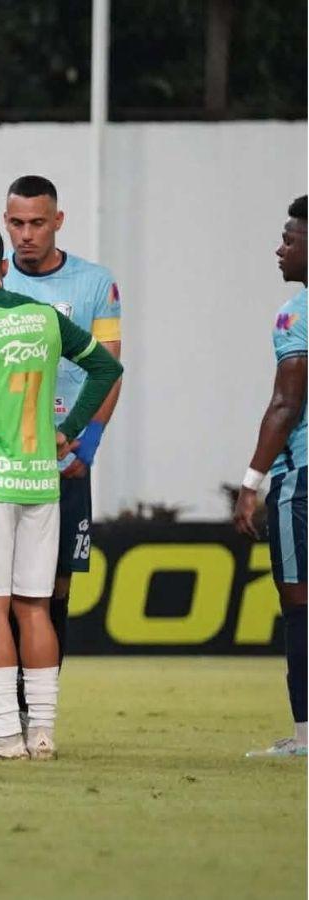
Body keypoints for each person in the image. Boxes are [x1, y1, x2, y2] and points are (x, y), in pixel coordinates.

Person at [0, 222, 121, 762]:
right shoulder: (44, 318)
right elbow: (106, 367)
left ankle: (5, 737)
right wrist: (70, 431)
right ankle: (41, 734)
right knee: (35, 607)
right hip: (40, 480)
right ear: (1, 263)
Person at [1, 175, 123, 667]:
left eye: (37, 223)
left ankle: (40, 708)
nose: (26, 234)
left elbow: (111, 367)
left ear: (58, 222)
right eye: (16, 223)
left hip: (66, 454)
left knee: (55, 584)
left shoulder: (96, 283)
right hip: (3, 457)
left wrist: (85, 446)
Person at [233, 194, 307, 758]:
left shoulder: (295, 313)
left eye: (289, 239)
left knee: (300, 602)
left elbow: (286, 402)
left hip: (302, 479)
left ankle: (306, 736)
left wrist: (253, 481)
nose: (279, 249)